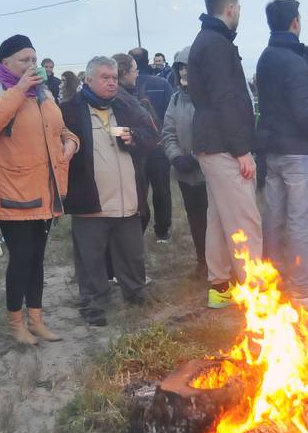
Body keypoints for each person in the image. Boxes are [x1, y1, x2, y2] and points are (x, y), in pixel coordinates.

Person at [0, 35, 79, 344]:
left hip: (44, 189)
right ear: (4, 63)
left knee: (37, 258)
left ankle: (36, 319)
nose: (32, 65)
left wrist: (71, 141)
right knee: (21, 257)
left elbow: (59, 129)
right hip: (12, 191)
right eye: (24, 60)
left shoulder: (43, 93)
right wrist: (20, 90)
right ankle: (15, 322)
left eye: (34, 59)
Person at [61, 56, 159, 326]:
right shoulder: (68, 110)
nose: (112, 82)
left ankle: (135, 291)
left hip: (127, 196)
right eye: (105, 77)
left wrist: (134, 137)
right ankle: (93, 302)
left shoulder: (126, 106)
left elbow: (151, 136)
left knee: (132, 252)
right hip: (90, 199)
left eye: (114, 77)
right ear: (88, 80)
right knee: (90, 257)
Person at [253, 0, 308, 309]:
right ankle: (301, 290)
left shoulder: (266, 57)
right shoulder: (294, 62)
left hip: (273, 151)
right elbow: (303, 111)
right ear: (295, 22)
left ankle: (272, 281)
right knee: (299, 221)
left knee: (273, 219)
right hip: (300, 152)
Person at [188, 0, 262, 308]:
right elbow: (224, 99)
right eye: (239, 10)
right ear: (230, 9)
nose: (239, 16)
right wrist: (241, 149)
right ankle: (259, 295)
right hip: (223, 145)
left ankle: (220, 287)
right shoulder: (216, 45)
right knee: (245, 219)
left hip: (212, 142)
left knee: (218, 218)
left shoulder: (208, 40)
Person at [161, 46, 207, 275]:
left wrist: (197, 156)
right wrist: (176, 156)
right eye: (180, 67)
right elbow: (168, 132)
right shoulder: (176, 99)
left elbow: (214, 131)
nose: (184, 72)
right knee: (195, 217)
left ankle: (221, 262)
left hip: (209, 171)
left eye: (188, 67)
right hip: (186, 174)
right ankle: (202, 260)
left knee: (214, 219)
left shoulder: (209, 99)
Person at [124, 48, 174, 242]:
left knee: (138, 191)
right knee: (162, 190)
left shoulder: (127, 86)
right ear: (149, 60)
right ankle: (162, 231)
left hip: (136, 146)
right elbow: (170, 115)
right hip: (159, 146)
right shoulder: (162, 84)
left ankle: (137, 231)